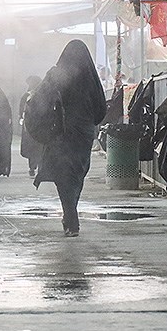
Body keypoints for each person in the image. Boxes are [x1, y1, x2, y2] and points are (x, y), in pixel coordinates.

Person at [33, 40, 106, 237]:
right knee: (76, 173)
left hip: (62, 133)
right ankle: (71, 213)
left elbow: (39, 101)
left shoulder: (57, 75)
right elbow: (101, 110)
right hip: (84, 135)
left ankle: (70, 216)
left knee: (64, 174)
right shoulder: (91, 78)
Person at [18, 75, 44, 177]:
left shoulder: (26, 96)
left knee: (32, 147)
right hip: (39, 126)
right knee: (39, 147)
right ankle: (38, 167)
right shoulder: (43, 94)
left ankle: (32, 167)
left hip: (29, 126)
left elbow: (21, 111)